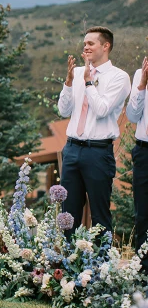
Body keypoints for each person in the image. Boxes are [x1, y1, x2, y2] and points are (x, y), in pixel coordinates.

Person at [57, 26, 131, 233]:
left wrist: (89, 82)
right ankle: (67, 262)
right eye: (84, 44)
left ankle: (101, 264)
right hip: (71, 150)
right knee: (68, 213)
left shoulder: (120, 77)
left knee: (99, 214)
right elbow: (63, 111)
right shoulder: (77, 72)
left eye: (91, 43)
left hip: (98, 152)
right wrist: (69, 83)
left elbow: (102, 110)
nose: (86, 47)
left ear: (105, 46)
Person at [127, 56, 148, 260]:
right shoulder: (140, 75)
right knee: (142, 214)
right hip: (144, 152)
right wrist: (142, 85)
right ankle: (143, 269)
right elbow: (132, 116)